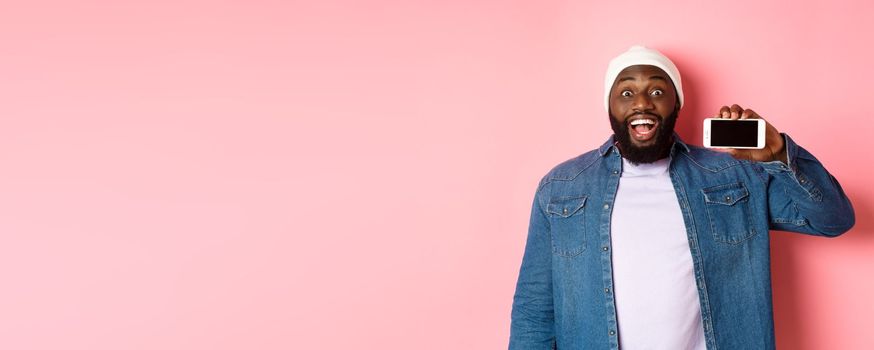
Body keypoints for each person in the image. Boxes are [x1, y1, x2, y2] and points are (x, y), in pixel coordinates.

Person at [508, 46, 855, 350]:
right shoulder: (563, 187)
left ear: (676, 103)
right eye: (626, 93)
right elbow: (534, 309)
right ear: (609, 105)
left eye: (657, 91)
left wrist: (779, 154)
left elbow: (833, 219)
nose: (642, 102)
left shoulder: (735, 175)